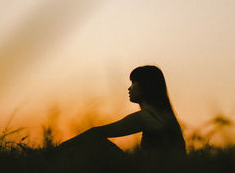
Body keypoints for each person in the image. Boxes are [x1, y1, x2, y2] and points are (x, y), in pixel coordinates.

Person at [57, 65, 186, 161]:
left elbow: (96, 132)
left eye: (133, 83)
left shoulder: (146, 117)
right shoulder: (166, 116)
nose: (129, 88)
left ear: (145, 86)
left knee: (95, 142)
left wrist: (58, 149)